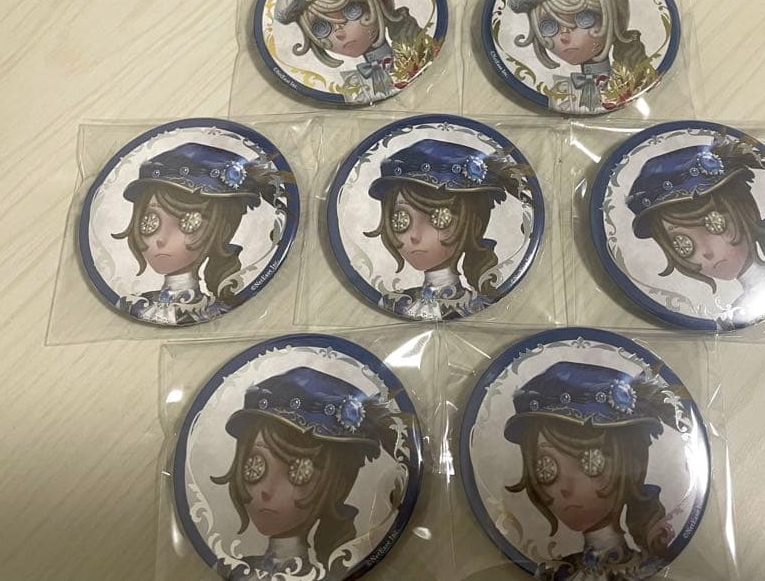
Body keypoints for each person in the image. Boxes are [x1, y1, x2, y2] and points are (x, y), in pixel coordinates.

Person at [211, 367, 405, 579]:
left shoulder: (338, 569)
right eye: (254, 465)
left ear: (339, 484)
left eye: (299, 471)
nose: (266, 490)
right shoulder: (233, 567)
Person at [504, 361, 682, 581]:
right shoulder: (559, 571)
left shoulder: (643, 569)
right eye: (546, 468)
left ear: (633, 465)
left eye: (590, 462)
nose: (565, 488)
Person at [625, 139, 765, 319]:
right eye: (681, 242)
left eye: (713, 224)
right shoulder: (734, 313)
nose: (705, 252)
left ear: (747, 210)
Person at [112, 143, 285, 325]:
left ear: (223, 230)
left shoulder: (213, 310)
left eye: (188, 222)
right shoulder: (131, 304)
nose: (161, 239)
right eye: (150, 221)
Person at [365, 139, 532, 319]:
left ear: (474, 226)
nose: (414, 235)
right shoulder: (392, 303)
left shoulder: (478, 307)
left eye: (438, 218)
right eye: (401, 218)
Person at [273, 0, 433, 103]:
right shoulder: (348, 86)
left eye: (352, 11)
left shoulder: (414, 43)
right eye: (321, 27)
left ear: (382, 2)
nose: (340, 33)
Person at [508, 0, 657, 113]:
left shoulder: (634, 77)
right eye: (548, 26)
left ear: (617, 18)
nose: (564, 37)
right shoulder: (560, 92)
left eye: (585, 18)